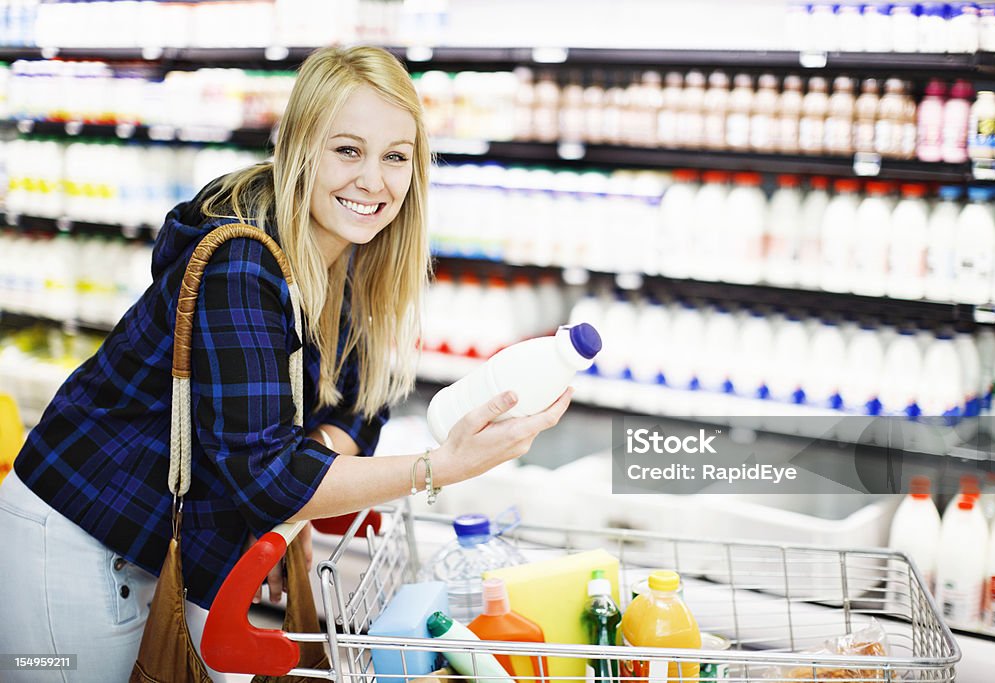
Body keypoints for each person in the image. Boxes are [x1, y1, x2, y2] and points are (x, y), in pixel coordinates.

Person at [0, 46, 572, 682]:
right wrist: (440, 467)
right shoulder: (242, 262)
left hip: (176, 545)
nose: (374, 182)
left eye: (395, 156)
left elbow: (362, 395)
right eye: (348, 150)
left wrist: (314, 465)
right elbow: (267, 476)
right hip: (82, 534)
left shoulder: (350, 253)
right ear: (301, 146)